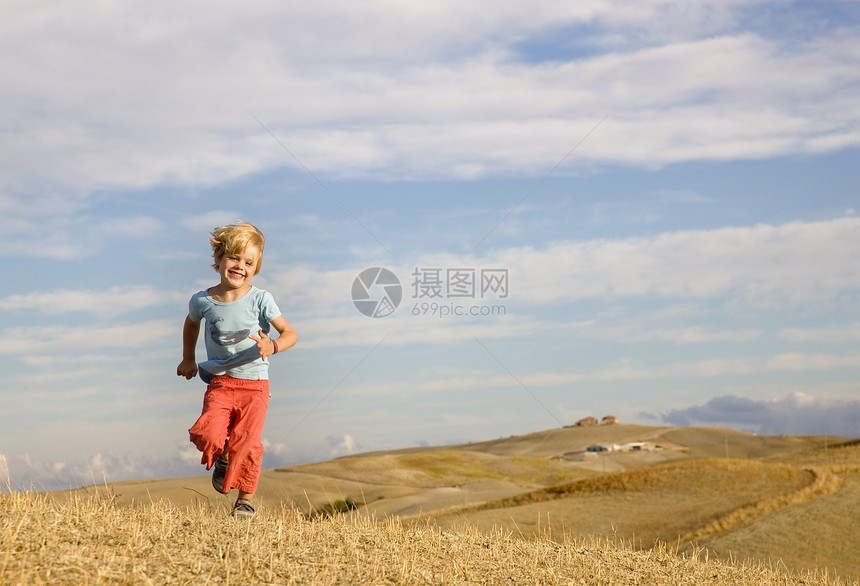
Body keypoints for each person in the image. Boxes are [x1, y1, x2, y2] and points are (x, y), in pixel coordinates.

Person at [176, 222, 297, 518]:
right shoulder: (202, 301)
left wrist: (274, 346)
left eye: (248, 262)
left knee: (249, 443)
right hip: (220, 383)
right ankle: (223, 457)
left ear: (256, 266)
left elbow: (291, 333)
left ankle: (245, 500)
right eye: (233, 258)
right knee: (210, 436)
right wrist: (188, 358)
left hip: (255, 386)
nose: (240, 266)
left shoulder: (261, 299)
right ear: (218, 260)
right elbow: (191, 324)